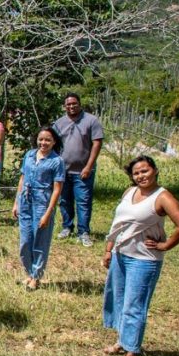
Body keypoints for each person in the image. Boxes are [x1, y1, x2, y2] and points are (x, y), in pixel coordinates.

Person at [102, 155, 179, 356]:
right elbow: (118, 223)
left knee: (135, 306)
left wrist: (165, 244)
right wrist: (109, 249)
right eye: (136, 173)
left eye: (145, 171)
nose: (141, 176)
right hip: (121, 255)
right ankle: (123, 341)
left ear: (155, 170)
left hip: (144, 260)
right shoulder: (129, 192)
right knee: (119, 300)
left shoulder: (162, 197)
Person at [12, 127, 65, 291]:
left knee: (40, 241)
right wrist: (16, 202)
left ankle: (36, 276)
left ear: (54, 142)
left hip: (42, 202)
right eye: (41, 139)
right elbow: (22, 178)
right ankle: (28, 272)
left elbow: (57, 189)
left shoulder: (57, 161)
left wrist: (48, 214)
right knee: (25, 240)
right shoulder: (29, 155)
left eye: (48, 140)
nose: (44, 143)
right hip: (25, 200)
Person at [54, 92, 104, 247]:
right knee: (64, 201)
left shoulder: (91, 120)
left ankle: (83, 232)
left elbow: (97, 143)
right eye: (68, 104)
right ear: (64, 106)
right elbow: (53, 144)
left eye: (74, 103)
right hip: (63, 170)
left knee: (83, 201)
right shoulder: (59, 123)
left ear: (79, 104)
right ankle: (67, 227)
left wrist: (89, 166)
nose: (71, 106)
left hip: (83, 171)